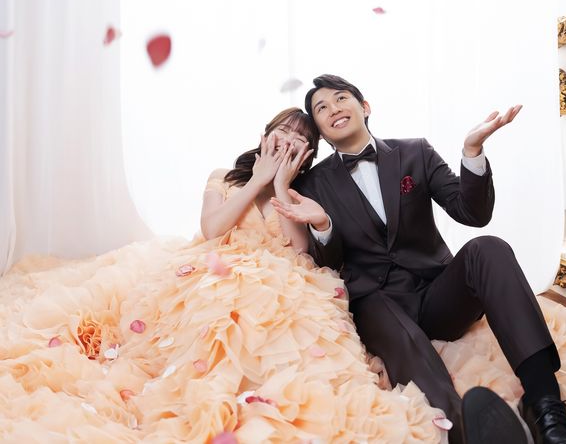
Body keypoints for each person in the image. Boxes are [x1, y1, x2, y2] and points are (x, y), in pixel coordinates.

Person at [0, 107, 453, 442]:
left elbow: (301, 252)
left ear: (308, 155)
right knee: (215, 323)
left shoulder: (304, 191)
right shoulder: (225, 176)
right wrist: (258, 179)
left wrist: (281, 187)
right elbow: (213, 228)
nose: (288, 140)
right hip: (217, 268)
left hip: (279, 279)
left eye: (299, 140)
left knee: (286, 331)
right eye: (282, 131)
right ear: (264, 136)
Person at [272, 75, 566, 444]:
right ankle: (465, 433)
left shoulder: (414, 152)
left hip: (438, 297)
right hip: (378, 308)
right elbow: (327, 265)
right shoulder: (313, 185)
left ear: (364, 107)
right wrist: (323, 225)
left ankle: (546, 408)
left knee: (489, 247)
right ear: (321, 130)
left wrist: (472, 152)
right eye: (321, 108)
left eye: (340, 98)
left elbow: (472, 213)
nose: (333, 109)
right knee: (381, 313)